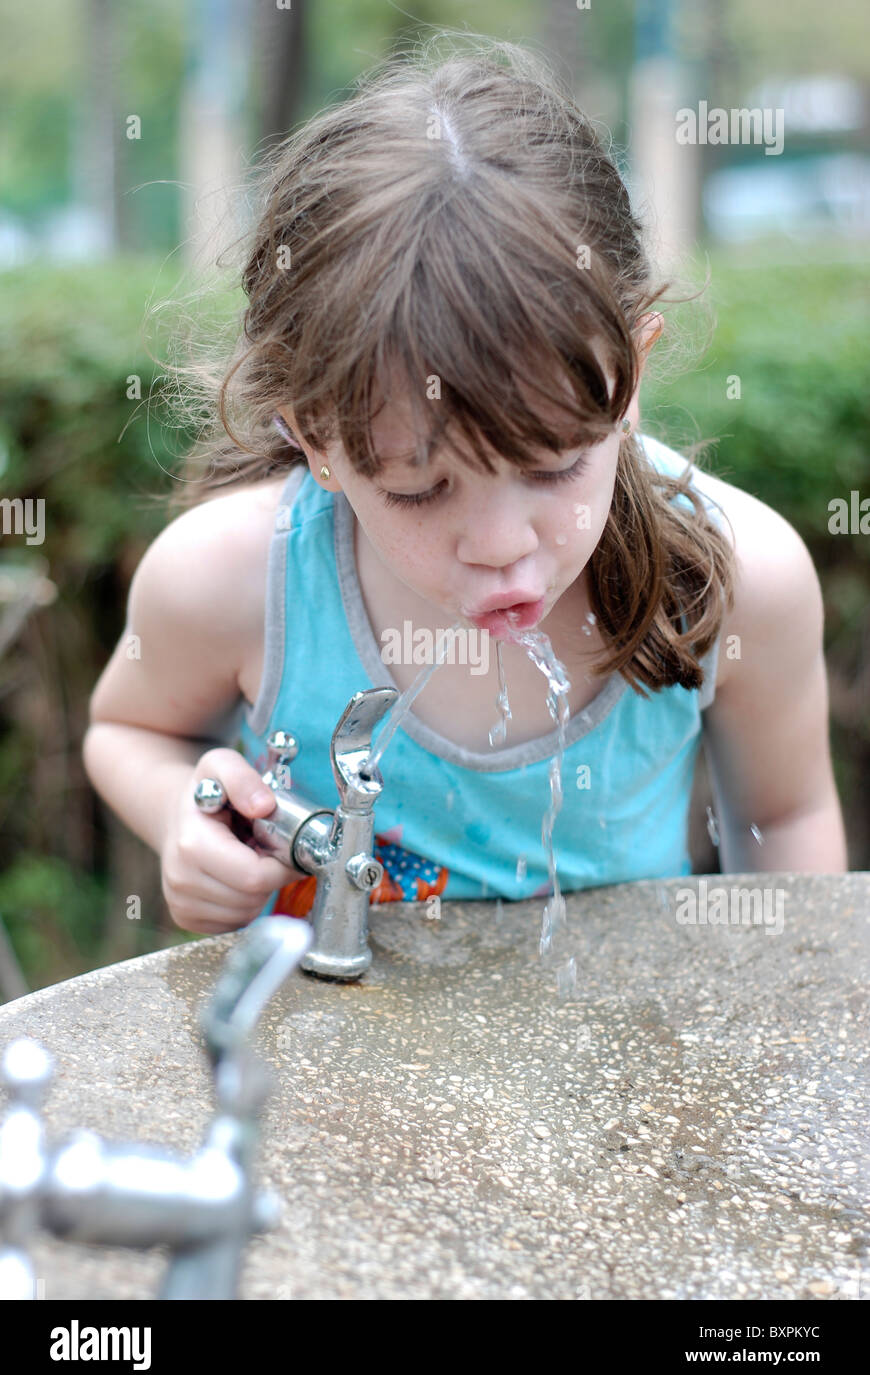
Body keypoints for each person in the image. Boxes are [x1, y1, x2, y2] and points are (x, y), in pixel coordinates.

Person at [82, 38, 847, 937]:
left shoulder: (730, 584)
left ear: (629, 384)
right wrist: (186, 811)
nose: (500, 543)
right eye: (419, 490)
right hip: (331, 1070)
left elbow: (786, 818)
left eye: (553, 464)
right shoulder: (238, 582)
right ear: (313, 436)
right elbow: (128, 731)